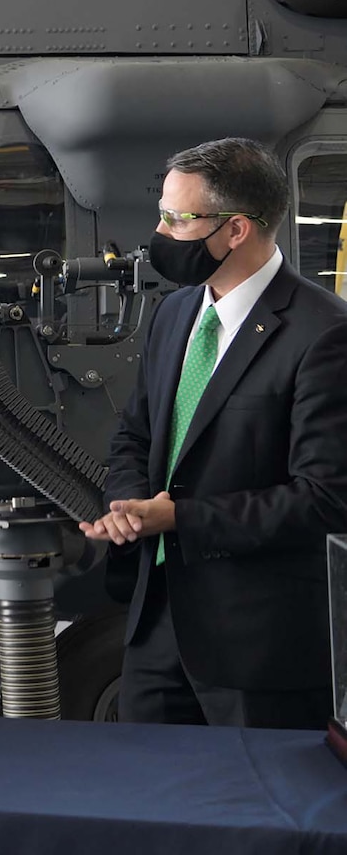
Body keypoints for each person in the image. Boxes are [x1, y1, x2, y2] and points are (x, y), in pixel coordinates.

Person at [81, 138, 347, 729]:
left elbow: (324, 499)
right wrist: (127, 506)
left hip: (259, 647)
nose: (161, 230)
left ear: (236, 231)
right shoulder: (174, 313)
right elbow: (134, 435)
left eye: (179, 218)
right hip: (156, 631)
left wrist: (180, 518)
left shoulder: (323, 334)